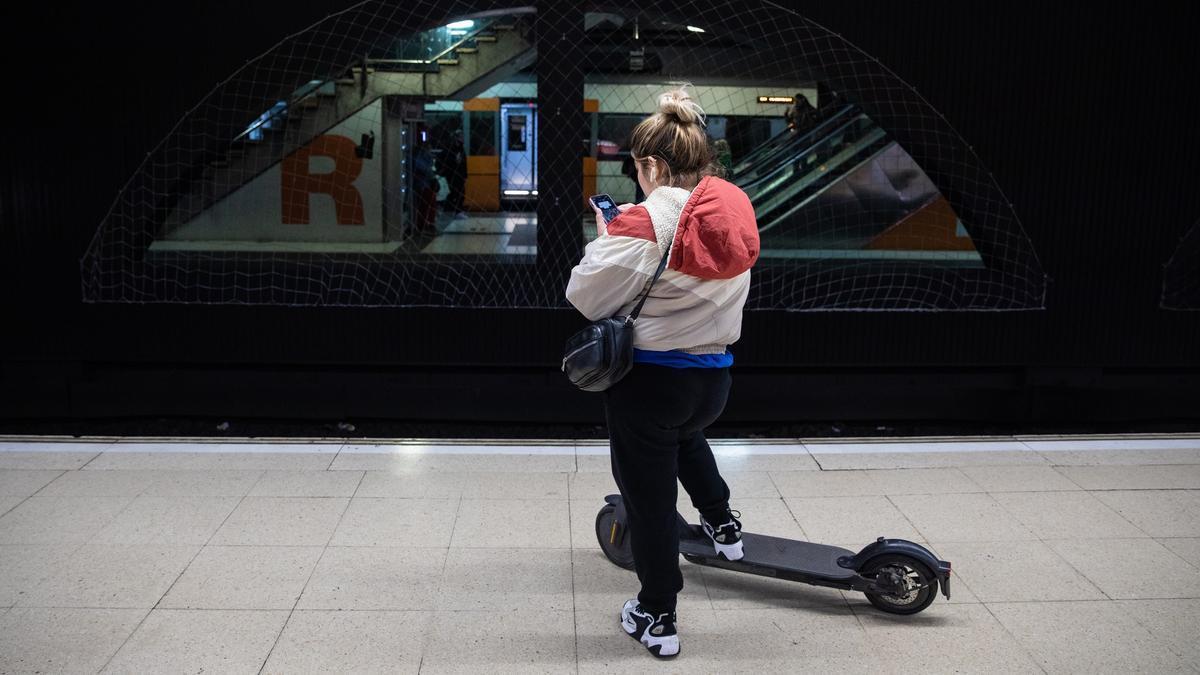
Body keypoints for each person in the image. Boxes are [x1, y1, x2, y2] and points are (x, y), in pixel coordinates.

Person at [566, 86, 760, 659]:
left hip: (649, 384)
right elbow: (687, 254)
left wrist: (612, 234)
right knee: (688, 438)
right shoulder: (732, 206)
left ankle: (657, 616)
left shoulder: (643, 224)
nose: (636, 181)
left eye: (637, 169)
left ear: (651, 164)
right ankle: (724, 529)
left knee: (649, 504)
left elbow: (585, 294)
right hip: (712, 380)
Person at [438, 128, 468, 219]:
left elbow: (464, 161)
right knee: (457, 192)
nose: (462, 138)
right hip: (452, 174)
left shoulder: (460, 148)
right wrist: (455, 161)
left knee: (457, 192)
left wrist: (465, 174)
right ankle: (457, 211)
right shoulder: (450, 148)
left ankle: (447, 208)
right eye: (461, 137)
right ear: (456, 138)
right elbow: (446, 159)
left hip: (459, 174)